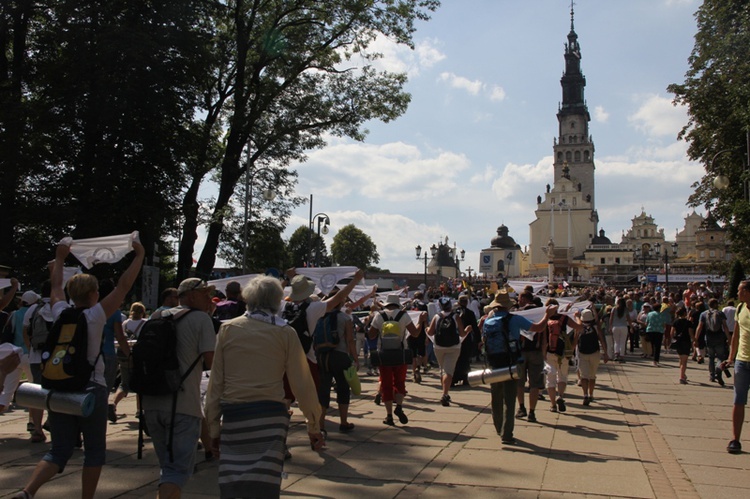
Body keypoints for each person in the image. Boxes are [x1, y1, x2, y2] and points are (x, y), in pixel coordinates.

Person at [13, 239, 144, 499]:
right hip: (90, 389)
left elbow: (55, 288)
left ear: (72, 294)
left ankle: (28, 491)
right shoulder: (96, 315)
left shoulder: (60, 311)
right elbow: (124, 285)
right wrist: (138, 254)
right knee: (94, 452)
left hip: (59, 388)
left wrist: (60, 259)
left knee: (59, 450)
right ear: (95, 294)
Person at [204, 276, 324, 498]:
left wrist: (212, 426)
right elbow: (302, 382)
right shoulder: (285, 332)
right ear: (278, 301)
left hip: (235, 414)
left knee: (232, 482)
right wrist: (313, 424)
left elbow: (216, 382)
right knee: (265, 484)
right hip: (270, 416)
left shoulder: (228, 329)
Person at [141, 278, 216, 499]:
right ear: (191, 296)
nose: (209, 298)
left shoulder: (158, 316)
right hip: (183, 405)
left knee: (168, 469)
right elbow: (212, 363)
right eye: (205, 294)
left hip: (153, 402)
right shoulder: (201, 319)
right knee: (176, 472)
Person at [482, 290, 557, 444]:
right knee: (510, 399)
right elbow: (538, 328)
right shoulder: (515, 320)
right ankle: (507, 434)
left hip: (494, 362)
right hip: (512, 362)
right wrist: (547, 315)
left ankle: (498, 427)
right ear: (508, 306)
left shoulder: (487, 321)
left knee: (496, 397)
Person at [368, 294, 425, 425]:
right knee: (400, 382)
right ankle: (398, 407)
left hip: (384, 354)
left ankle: (389, 416)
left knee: (386, 385)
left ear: (387, 304)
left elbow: (371, 335)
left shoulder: (379, 316)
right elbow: (415, 333)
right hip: (401, 353)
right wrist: (421, 321)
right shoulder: (403, 315)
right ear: (397, 304)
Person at [722, 280, 750, 454]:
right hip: (742, 360)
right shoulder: (740, 308)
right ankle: (735, 439)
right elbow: (736, 336)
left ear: (747, 291)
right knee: (738, 400)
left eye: (739, 290)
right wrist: (731, 357)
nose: (737, 293)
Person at [544, 299, 584, 412]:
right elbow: (579, 327)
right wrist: (577, 317)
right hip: (562, 352)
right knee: (562, 377)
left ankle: (552, 405)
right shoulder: (564, 318)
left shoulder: (545, 318)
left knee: (550, 378)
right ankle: (560, 396)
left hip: (549, 351)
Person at [426, 296, 466, 406]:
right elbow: (462, 334)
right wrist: (467, 330)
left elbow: (430, 333)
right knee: (448, 371)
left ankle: (444, 389)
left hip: (439, 346)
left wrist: (426, 329)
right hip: (453, 346)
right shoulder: (456, 316)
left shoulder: (436, 316)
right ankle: (445, 394)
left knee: (442, 368)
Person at [111, 302, 147, 419]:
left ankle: (113, 403)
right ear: (142, 312)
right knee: (140, 383)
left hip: (123, 356)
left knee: (124, 383)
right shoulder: (144, 323)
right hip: (137, 356)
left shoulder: (125, 323)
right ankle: (139, 410)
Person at [514, 291, 544, 423]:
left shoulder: (519, 317)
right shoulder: (540, 317)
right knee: (535, 384)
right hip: (536, 352)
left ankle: (521, 407)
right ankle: (532, 411)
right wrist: (543, 353)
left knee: (519, 382)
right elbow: (544, 338)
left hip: (520, 352)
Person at [696, 298, 731, 386]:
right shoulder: (720, 313)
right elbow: (725, 326)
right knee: (720, 357)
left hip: (709, 337)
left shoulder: (703, 314)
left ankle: (712, 376)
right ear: (716, 304)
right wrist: (729, 338)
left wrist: (695, 338)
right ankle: (718, 369)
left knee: (711, 357)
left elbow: (699, 327)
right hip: (719, 337)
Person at [576, 308, 608, 405]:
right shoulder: (596, 327)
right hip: (595, 353)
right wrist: (606, 353)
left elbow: (575, 341)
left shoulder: (579, 327)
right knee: (592, 376)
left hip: (582, 353)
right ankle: (591, 394)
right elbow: (602, 340)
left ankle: (585, 394)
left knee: (584, 376)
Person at [671, 307, 694, 384]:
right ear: (685, 313)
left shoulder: (675, 322)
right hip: (686, 341)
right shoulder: (688, 323)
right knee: (684, 361)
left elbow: (672, 332)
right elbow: (690, 333)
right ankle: (681, 377)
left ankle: (683, 374)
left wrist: (673, 338)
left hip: (678, 342)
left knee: (681, 359)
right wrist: (694, 340)